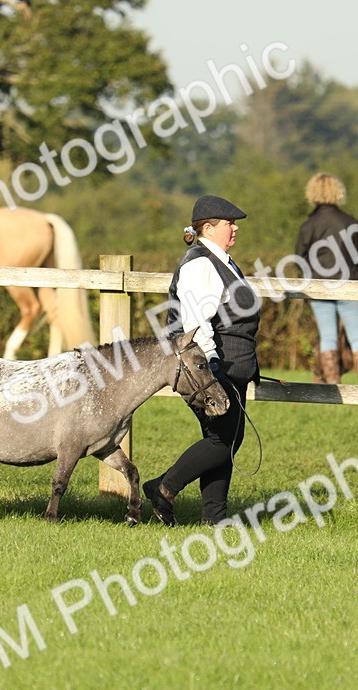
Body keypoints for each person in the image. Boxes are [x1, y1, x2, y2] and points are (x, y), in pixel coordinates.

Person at [144, 195, 259, 527]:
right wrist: (212, 367)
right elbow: (196, 321)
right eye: (229, 224)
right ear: (208, 228)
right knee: (221, 440)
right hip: (207, 367)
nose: (235, 228)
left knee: (226, 437)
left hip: (227, 363)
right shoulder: (200, 263)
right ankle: (163, 488)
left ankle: (214, 518)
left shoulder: (220, 259)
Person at [295, 173, 358, 385]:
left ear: (312, 193)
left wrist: (309, 280)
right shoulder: (350, 222)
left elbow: (299, 258)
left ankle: (332, 385)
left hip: (319, 287)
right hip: (348, 285)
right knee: (357, 336)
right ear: (337, 192)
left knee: (328, 336)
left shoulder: (308, 225)